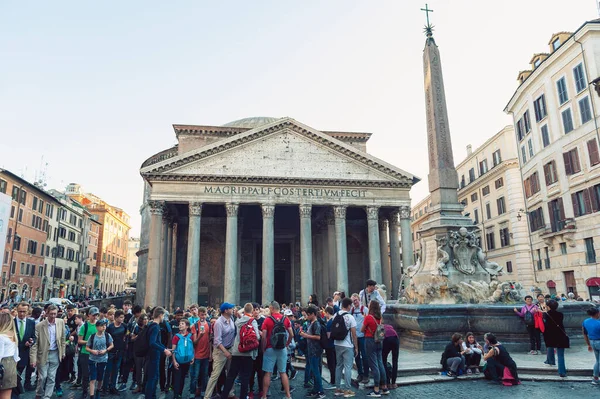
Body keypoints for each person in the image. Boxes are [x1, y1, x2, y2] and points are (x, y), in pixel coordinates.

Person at [220, 303, 260, 399]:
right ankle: (243, 396)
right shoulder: (252, 321)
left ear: (244, 310)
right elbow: (257, 337)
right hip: (248, 353)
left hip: (237, 351)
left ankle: (224, 396)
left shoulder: (238, 321)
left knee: (231, 376)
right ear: (252, 310)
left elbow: (239, 313)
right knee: (245, 377)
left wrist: (243, 310)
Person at [30, 305, 67, 399]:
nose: (53, 316)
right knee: (42, 377)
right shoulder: (39, 325)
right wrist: (33, 359)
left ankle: (47, 396)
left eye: (55, 314)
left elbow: (63, 338)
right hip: (43, 354)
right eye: (51, 314)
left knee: (51, 377)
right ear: (46, 313)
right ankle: (39, 393)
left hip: (55, 353)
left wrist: (63, 352)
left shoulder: (60, 322)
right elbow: (35, 344)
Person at [261, 301, 293, 399]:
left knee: (268, 373)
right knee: (283, 372)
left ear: (271, 308)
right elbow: (291, 334)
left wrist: (263, 348)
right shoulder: (286, 319)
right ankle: (288, 396)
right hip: (282, 348)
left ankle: (265, 396)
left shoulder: (267, 320)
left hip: (270, 348)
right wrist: (286, 344)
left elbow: (264, 337)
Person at [204, 303, 236, 399]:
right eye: (231, 308)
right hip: (220, 351)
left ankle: (231, 393)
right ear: (226, 311)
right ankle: (207, 396)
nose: (233, 309)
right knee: (215, 375)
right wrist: (225, 352)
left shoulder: (231, 319)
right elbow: (217, 341)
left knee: (231, 373)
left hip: (230, 349)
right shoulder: (218, 323)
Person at [361, 300, 389, 397]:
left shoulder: (368, 317)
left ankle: (376, 389)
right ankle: (384, 387)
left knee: (374, 365)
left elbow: (362, 329)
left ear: (371, 307)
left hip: (370, 340)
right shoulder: (380, 317)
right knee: (380, 363)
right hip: (379, 340)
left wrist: (364, 319)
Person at [145, 307, 173, 399]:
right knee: (152, 378)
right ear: (160, 315)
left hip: (154, 355)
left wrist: (165, 348)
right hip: (153, 355)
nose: (163, 318)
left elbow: (157, 342)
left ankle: (152, 396)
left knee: (155, 377)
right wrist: (164, 350)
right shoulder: (155, 327)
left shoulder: (151, 325)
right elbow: (152, 342)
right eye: (163, 315)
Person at [333, 297, 358, 398]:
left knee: (338, 366)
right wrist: (356, 347)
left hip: (337, 343)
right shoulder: (350, 317)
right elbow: (354, 334)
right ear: (348, 306)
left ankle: (337, 388)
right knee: (348, 367)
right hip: (347, 345)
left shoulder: (336, 314)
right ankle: (347, 390)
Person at [300, 305, 325, 399]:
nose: (307, 316)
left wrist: (306, 336)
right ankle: (316, 389)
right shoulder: (312, 323)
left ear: (313, 314)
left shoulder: (316, 324)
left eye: (308, 315)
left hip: (315, 351)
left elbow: (318, 337)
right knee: (314, 371)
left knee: (316, 371)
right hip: (311, 350)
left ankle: (320, 391)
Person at [86, 319, 114, 399]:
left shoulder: (107, 335)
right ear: (97, 327)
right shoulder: (92, 336)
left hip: (103, 359)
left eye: (105, 326)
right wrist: (92, 351)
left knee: (100, 377)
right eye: (102, 326)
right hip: (93, 359)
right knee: (93, 378)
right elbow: (87, 347)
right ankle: (92, 396)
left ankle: (98, 390)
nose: (104, 327)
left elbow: (112, 345)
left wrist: (106, 350)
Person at [542, 299, 569, 377]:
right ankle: (562, 372)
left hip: (551, 336)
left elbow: (546, 325)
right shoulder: (560, 314)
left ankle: (550, 361)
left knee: (550, 347)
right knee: (560, 355)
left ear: (548, 307)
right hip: (560, 335)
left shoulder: (546, 315)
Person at [189, 306, 210, 399]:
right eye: (202, 315)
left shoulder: (209, 325)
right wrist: (200, 336)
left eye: (205, 314)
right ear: (199, 315)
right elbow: (194, 342)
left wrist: (210, 354)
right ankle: (192, 392)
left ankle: (203, 391)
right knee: (195, 376)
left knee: (204, 375)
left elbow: (210, 340)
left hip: (206, 354)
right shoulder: (195, 326)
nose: (203, 316)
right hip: (197, 354)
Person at [78, 307, 99, 399]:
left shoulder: (99, 325)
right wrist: (89, 342)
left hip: (96, 353)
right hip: (85, 352)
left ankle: (93, 391)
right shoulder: (85, 326)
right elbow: (79, 341)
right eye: (93, 315)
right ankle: (84, 390)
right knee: (85, 374)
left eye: (96, 315)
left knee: (94, 373)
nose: (95, 317)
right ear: (89, 315)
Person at [104, 310, 126, 395]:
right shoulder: (110, 327)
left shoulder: (124, 326)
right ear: (116, 318)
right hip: (111, 351)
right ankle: (105, 388)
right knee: (108, 370)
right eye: (120, 317)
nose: (122, 319)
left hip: (119, 351)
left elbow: (125, 336)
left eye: (123, 317)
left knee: (116, 370)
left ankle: (113, 387)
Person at [14, 302, 35, 391]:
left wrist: (31, 341)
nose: (22, 314)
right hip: (14, 353)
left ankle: (18, 389)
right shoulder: (12, 322)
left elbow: (34, 336)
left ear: (27, 312)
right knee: (14, 375)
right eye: (20, 311)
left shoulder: (31, 322)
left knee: (19, 374)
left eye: (24, 311)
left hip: (26, 353)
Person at [349, 293, 369, 385]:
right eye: (353, 301)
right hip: (355, 337)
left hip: (363, 336)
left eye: (356, 300)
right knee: (357, 356)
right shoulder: (351, 310)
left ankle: (366, 375)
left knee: (365, 356)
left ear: (359, 300)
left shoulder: (364, 309)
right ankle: (360, 374)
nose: (355, 302)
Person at [171, 318, 193, 399]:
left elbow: (192, 348)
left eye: (182, 324)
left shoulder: (191, 336)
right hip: (178, 361)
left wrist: (192, 357)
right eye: (180, 324)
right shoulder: (176, 337)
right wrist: (174, 361)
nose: (180, 325)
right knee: (177, 378)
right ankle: (175, 395)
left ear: (187, 326)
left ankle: (179, 393)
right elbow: (173, 350)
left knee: (183, 378)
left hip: (186, 360)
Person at [0, 313, 19, 399]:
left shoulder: (1, 336)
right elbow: (16, 356)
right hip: (11, 365)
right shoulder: (13, 335)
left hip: (3, 364)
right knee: (7, 395)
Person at [249, 303, 265, 399]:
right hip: (251, 349)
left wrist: (261, 333)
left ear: (259, 310)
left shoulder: (263, 320)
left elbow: (266, 335)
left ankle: (261, 390)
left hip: (260, 350)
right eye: (253, 309)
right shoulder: (249, 320)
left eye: (257, 309)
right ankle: (250, 390)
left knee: (260, 372)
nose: (255, 311)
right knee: (251, 372)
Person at [582, 307, 600, 385]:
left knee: (598, 360)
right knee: (599, 361)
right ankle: (595, 377)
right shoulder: (598, 323)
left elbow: (584, 334)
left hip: (592, 342)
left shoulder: (585, 322)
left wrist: (588, 344)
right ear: (597, 313)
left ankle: (595, 378)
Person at [132, 314, 148, 393]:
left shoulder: (148, 328)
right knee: (138, 369)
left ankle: (145, 386)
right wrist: (138, 336)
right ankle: (139, 386)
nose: (145, 321)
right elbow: (132, 338)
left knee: (145, 370)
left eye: (146, 319)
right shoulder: (137, 328)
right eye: (144, 319)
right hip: (138, 351)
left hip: (146, 351)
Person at [323, 306, 336, 386]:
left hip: (329, 345)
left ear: (328, 313)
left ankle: (333, 380)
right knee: (335, 362)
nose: (324, 315)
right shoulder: (334, 320)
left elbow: (328, 336)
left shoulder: (329, 323)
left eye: (325, 313)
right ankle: (335, 379)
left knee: (331, 364)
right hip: (335, 344)